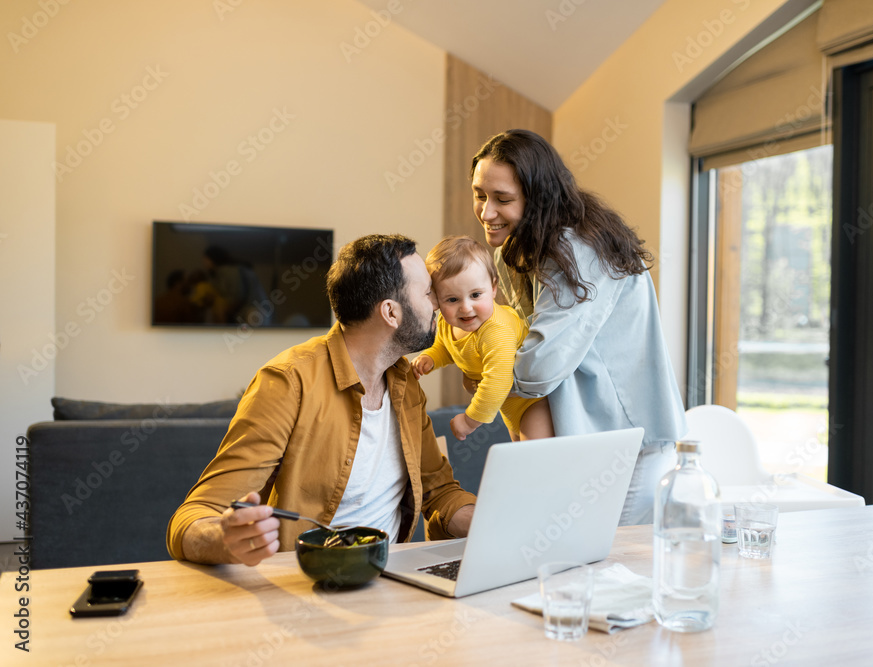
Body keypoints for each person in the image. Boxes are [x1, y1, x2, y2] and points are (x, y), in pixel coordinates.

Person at [166, 234, 476, 565]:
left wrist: (493, 522)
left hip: (390, 584)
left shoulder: (406, 385)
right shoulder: (288, 382)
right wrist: (225, 538)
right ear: (390, 312)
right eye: (427, 292)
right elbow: (191, 519)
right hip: (305, 589)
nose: (438, 304)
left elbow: (439, 492)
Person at [469, 129, 687, 526]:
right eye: (480, 194)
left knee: (610, 568)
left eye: (502, 199)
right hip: (591, 437)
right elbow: (525, 340)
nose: (486, 212)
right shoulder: (519, 249)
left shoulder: (576, 250)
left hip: (628, 441)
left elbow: (540, 366)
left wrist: (486, 373)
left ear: (536, 200)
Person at [411, 235, 553, 442]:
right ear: (436, 300)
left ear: (493, 288)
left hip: (534, 403)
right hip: (508, 407)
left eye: (476, 295)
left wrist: (470, 421)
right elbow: (447, 346)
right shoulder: (447, 323)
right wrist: (431, 357)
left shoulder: (495, 330)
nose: (466, 307)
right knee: (522, 462)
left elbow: (498, 380)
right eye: (452, 299)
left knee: (536, 463)